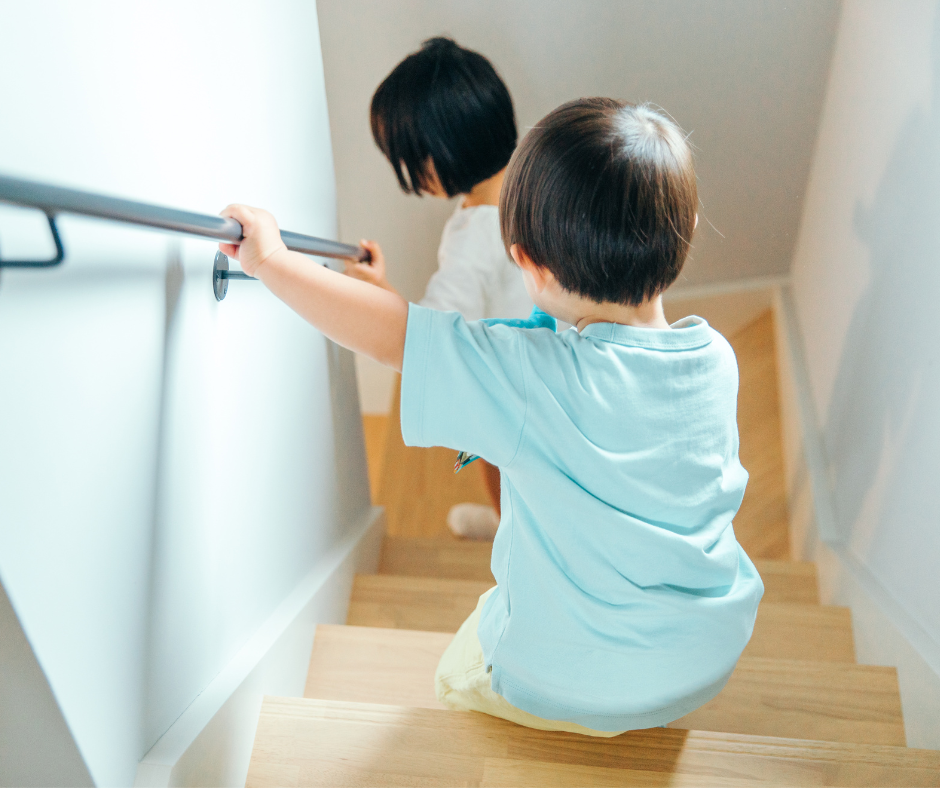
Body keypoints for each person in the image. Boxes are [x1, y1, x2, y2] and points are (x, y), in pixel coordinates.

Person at [218, 97, 764, 734]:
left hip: (563, 684)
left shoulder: (529, 374)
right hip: (704, 660)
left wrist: (270, 260)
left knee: (462, 663)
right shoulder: (716, 360)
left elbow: (398, 338)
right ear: (688, 227)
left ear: (529, 266)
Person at [345, 36, 531, 540]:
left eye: (410, 159)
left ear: (443, 153)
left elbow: (428, 337)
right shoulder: (537, 179)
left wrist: (379, 292)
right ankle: (514, 523)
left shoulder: (475, 237)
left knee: (499, 457)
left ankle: (510, 530)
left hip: (510, 385)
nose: (409, 174)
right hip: (551, 359)